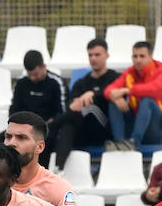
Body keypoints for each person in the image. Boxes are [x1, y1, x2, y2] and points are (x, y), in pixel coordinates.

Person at [45, 38, 120, 168]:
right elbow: (71, 104)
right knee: (68, 124)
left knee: (89, 108)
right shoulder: (81, 82)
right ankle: (58, 169)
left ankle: (46, 127)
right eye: (90, 55)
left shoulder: (115, 77)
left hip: (104, 131)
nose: (93, 58)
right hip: (83, 131)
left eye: (97, 54)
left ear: (107, 56)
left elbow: (113, 92)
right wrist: (77, 103)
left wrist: (92, 94)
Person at [105, 40, 162, 150]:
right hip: (136, 123)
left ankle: (133, 142)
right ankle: (119, 143)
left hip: (159, 128)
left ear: (151, 56)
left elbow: (154, 89)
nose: (138, 60)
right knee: (113, 102)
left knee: (147, 100)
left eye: (142, 56)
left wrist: (127, 91)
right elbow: (109, 90)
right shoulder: (129, 73)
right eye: (135, 56)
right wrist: (115, 98)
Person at [9, 50, 65, 128]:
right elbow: (14, 109)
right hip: (25, 128)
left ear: (44, 67)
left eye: (35, 74)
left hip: (50, 128)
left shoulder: (56, 82)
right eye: (29, 74)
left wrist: (47, 125)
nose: (32, 78)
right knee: (1, 138)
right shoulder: (20, 83)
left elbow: (62, 112)